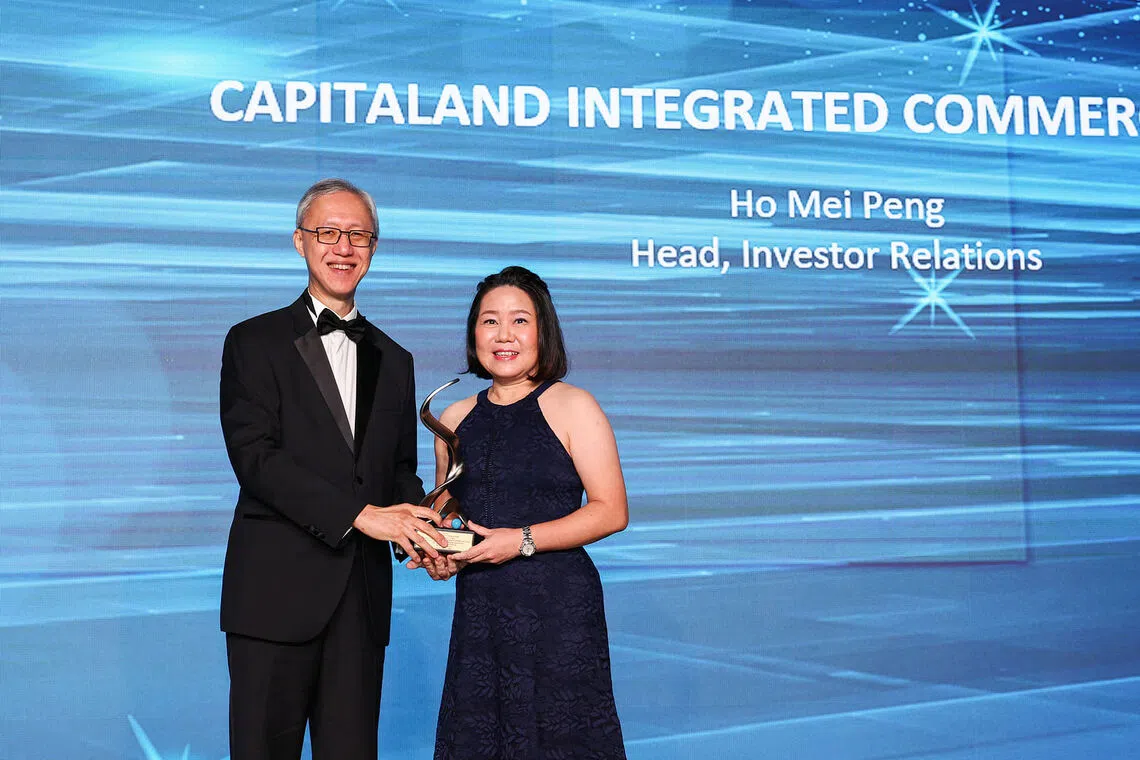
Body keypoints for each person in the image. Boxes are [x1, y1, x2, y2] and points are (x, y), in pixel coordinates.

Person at [218, 177, 448, 760]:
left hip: (360, 603)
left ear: (374, 248)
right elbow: (256, 460)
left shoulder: (395, 359)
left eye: (358, 236)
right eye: (328, 232)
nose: (344, 247)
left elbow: (398, 473)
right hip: (272, 597)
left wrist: (431, 533)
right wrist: (361, 515)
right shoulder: (252, 341)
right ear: (300, 241)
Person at [411, 265, 629, 759]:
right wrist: (439, 556)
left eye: (520, 321)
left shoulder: (573, 405)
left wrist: (521, 540)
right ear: (474, 333)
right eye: (490, 321)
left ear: (542, 331)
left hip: (558, 610)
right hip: (481, 610)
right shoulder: (454, 418)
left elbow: (611, 510)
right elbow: (451, 520)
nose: (503, 335)